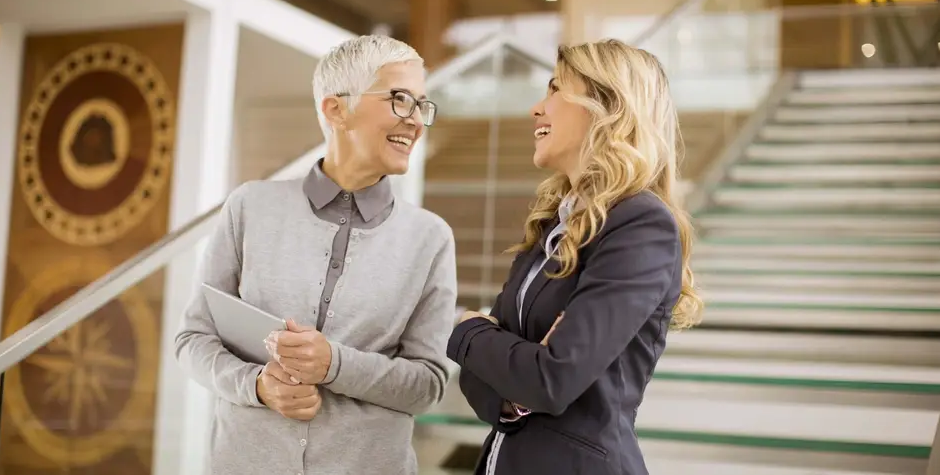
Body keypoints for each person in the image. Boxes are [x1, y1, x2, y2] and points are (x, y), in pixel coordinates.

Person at [174, 35, 457, 475]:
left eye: (423, 105)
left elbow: (427, 385)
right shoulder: (250, 206)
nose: (416, 121)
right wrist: (257, 386)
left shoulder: (430, 238)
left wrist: (334, 364)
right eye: (401, 100)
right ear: (335, 108)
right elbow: (193, 339)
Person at [445, 38, 703, 475]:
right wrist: (512, 387)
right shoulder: (554, 224)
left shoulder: (641, 224)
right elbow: (484, 382)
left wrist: (467, 333)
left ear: (606, 107)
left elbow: (551, 378)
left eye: (555, 89)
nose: (536, 109)